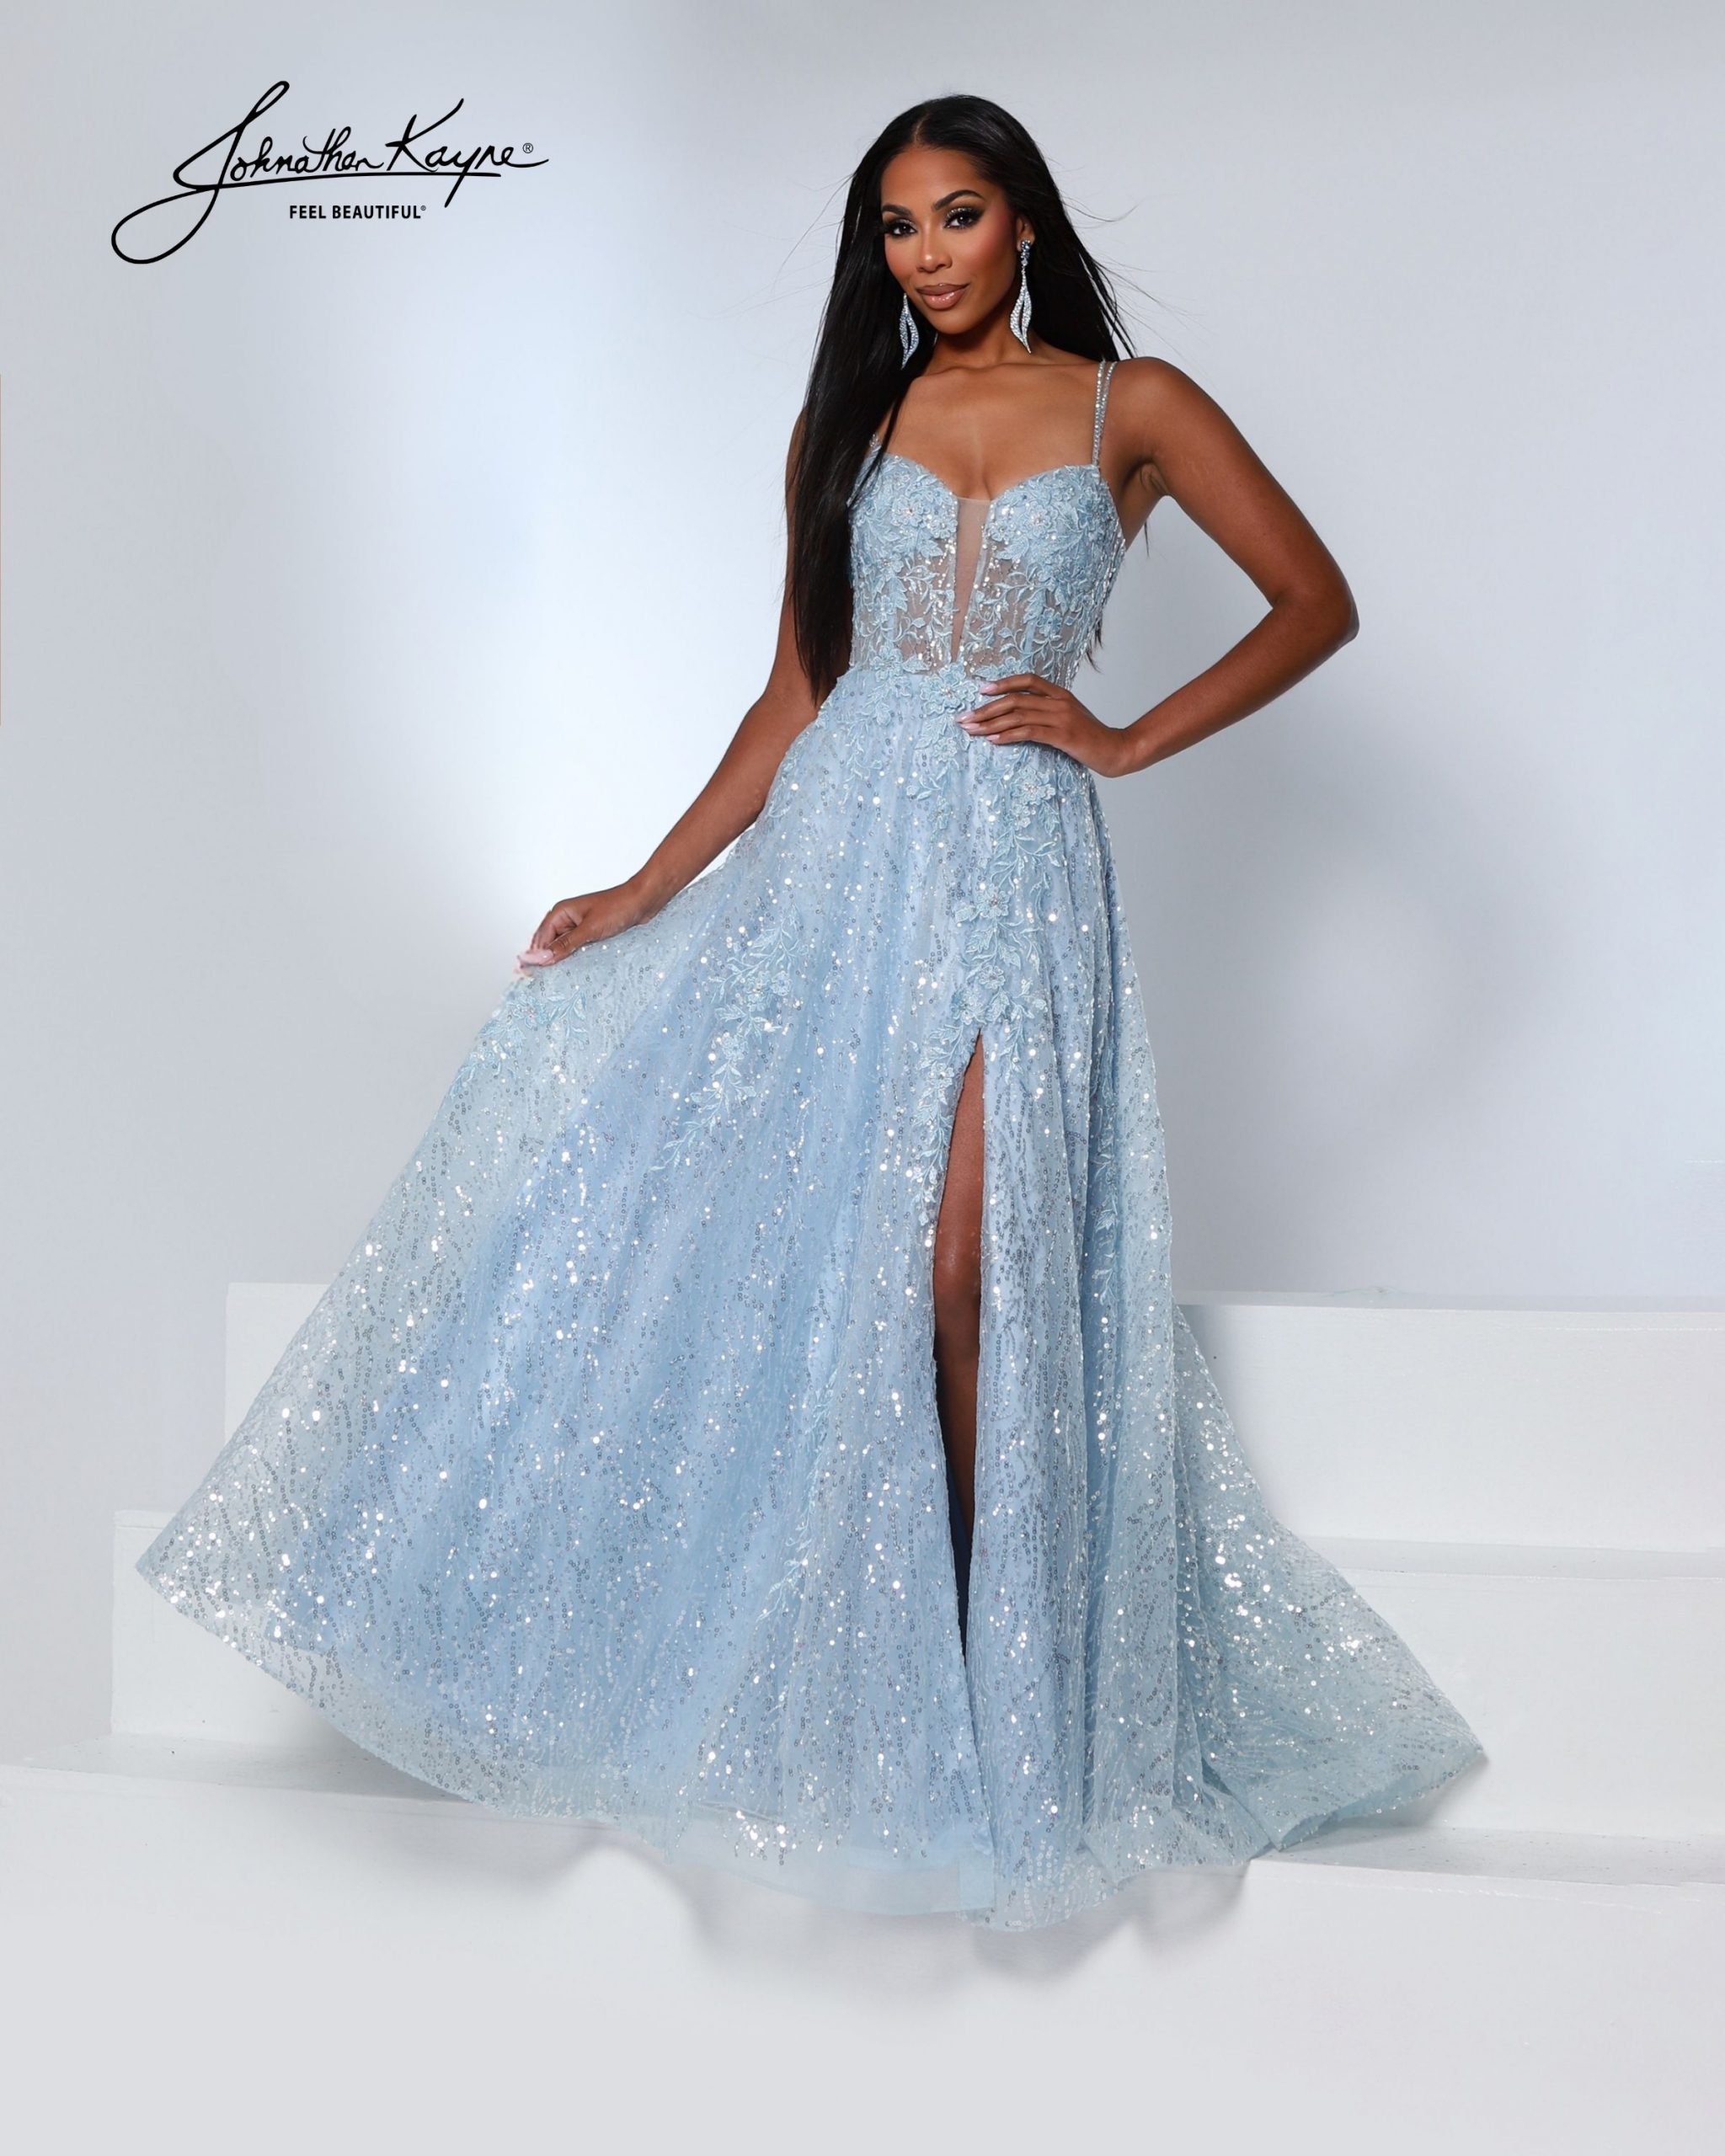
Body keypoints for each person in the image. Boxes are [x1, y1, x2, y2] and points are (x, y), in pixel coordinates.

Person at [138, 94, 1482, 1932]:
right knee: (838, 1270)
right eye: (896, 227)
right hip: (842, 863)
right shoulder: (844, 425)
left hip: (1014, 865)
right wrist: (646, 886)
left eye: (957, 215)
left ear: (1023, 222)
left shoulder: (1134, 406)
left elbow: (1314, 600)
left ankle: (1007, 1700)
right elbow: (795, 697)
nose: (926, 255)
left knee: (969, 1267)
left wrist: (1121, 738)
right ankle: (884, 1698)